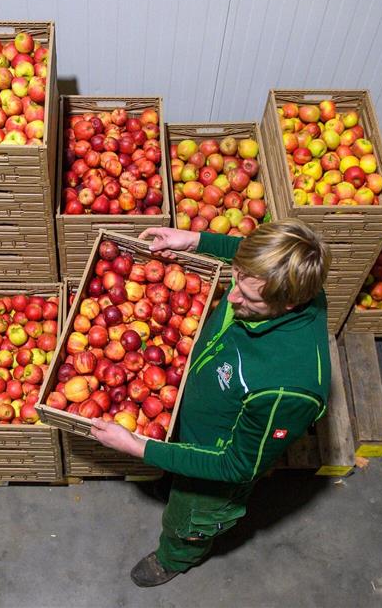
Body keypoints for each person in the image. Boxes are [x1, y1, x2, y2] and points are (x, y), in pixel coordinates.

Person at [90, 217, 333, 587]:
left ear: (288, 305)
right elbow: (251, 257)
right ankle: (172, 473)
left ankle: (175, 557)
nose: (232, 297)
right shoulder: (287, 280)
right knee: (174, 469)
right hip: (192, 418)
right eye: (236, 278)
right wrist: (196, 240)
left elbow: (236, 465)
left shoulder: (288, 389)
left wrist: (141, 449)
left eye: (248, 298)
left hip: (214, 469)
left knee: (187, 520)